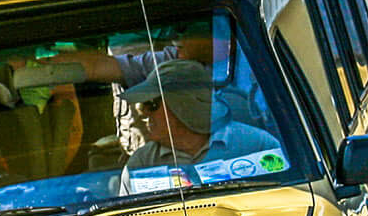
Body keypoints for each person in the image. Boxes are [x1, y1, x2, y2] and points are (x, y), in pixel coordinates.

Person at [119, 59, 277, 172]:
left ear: (185, 105)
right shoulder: (142, 163)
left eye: (152, 104)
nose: (142, 112)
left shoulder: (258, 145)